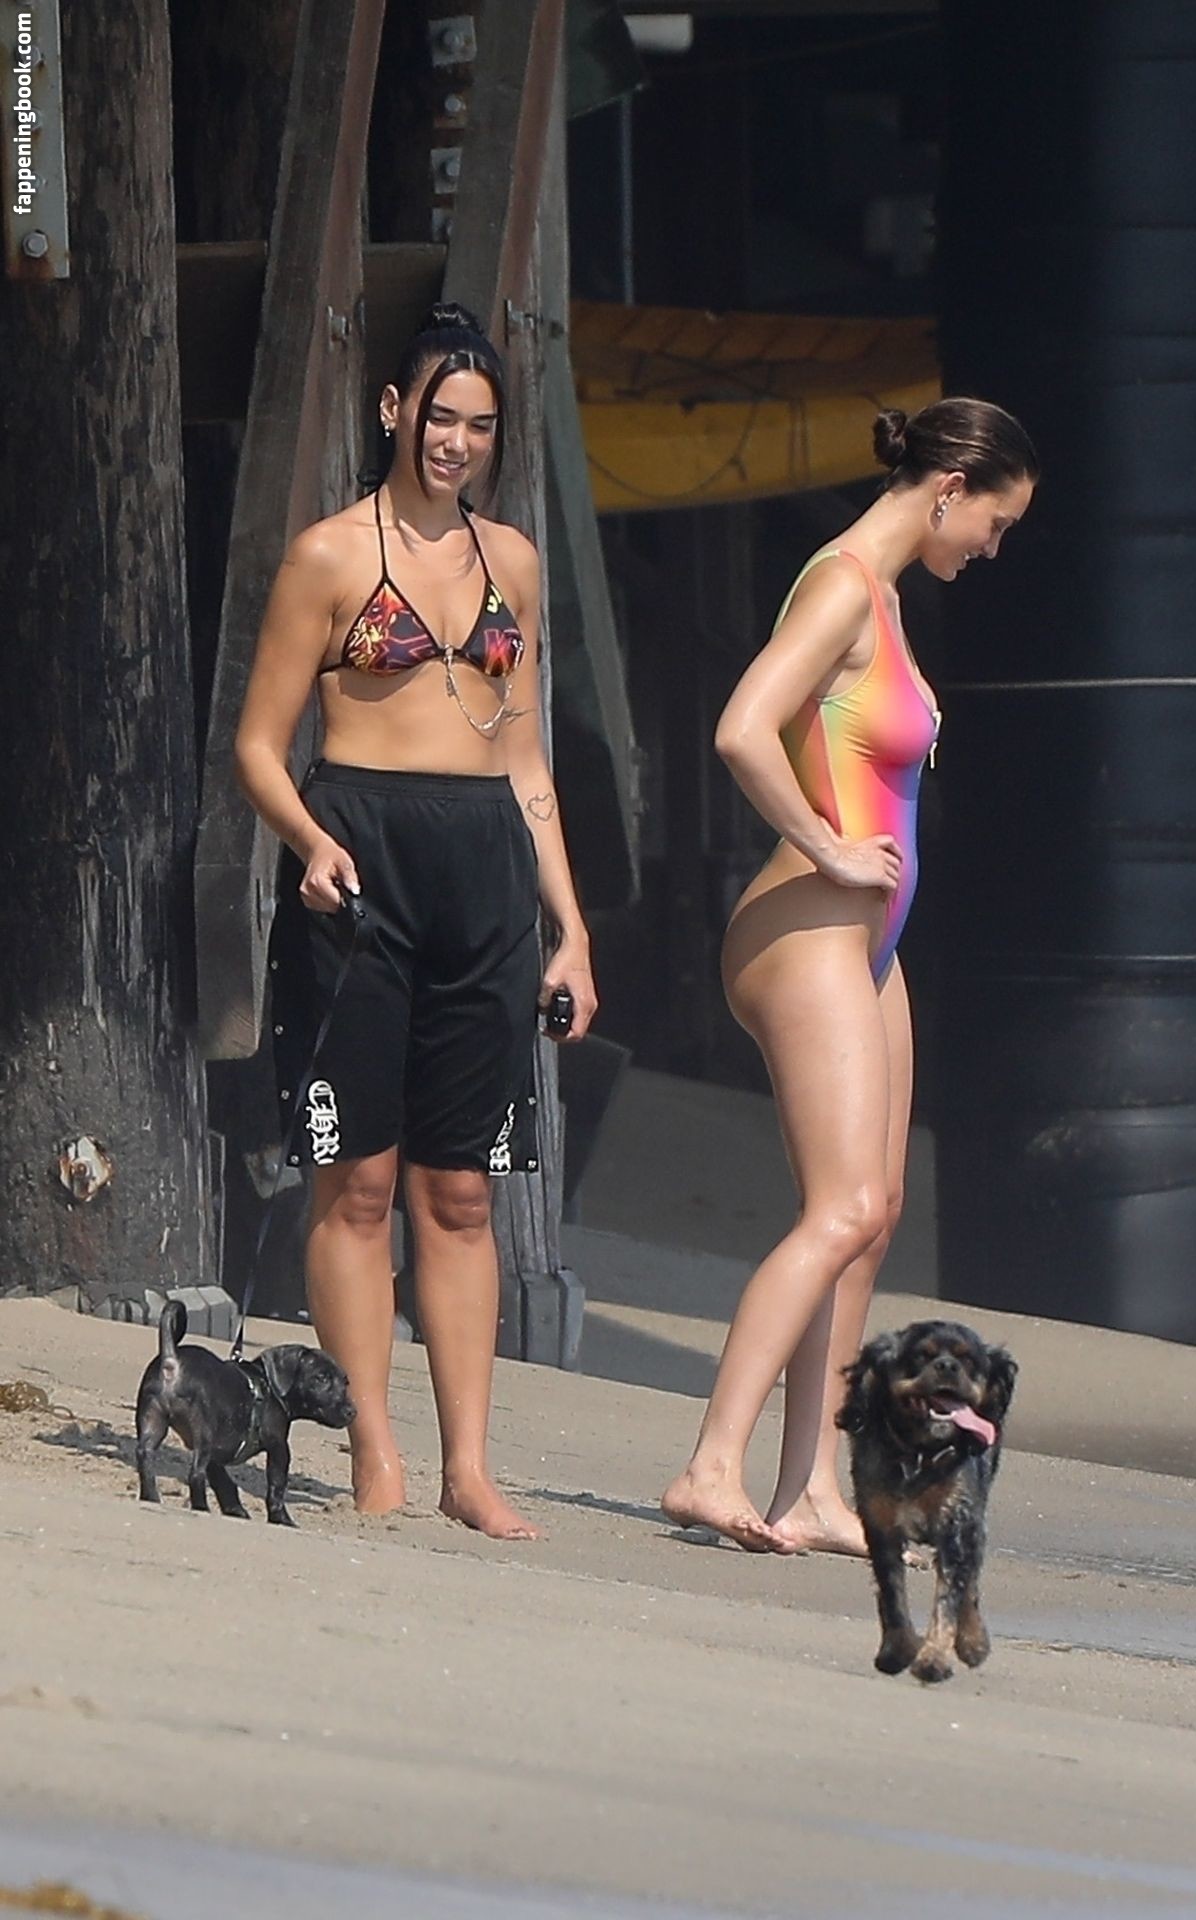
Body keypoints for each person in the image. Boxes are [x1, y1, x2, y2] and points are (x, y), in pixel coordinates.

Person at [235, 303, 596, 1538]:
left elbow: (528, 758)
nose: (455, 442)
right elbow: (257, 745)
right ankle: (373, 1453)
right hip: (360, 861)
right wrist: (311, 841)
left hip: (485, 868)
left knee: (462, 1192)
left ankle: (468, 1468)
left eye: (479, 426)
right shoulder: (329, 555)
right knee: (357, 1181)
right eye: (438, 417)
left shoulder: (514, 563)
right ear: (394, 411)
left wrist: (570, 925)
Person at [661, 397, 1038, 1553]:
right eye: (996, 523)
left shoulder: (882, 597)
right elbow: (741, 728)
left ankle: (810, 1488)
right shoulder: (838, 585)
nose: (992, 548)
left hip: (863, 946)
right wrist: (826, 847)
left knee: (873, 1219)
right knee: (839, 1210)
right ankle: (709, 1466)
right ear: (949, 489)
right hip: (805, 930)